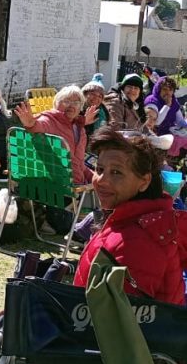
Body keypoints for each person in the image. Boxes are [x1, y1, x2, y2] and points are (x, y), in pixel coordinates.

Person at [73, 127, 185, 305]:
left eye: (116, 172)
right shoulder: (126, 223)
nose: (101, 180)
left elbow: (121, 323)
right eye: (100, 168)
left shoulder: (137, 240)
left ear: (144, 181)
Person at [14, 85, 95, 185]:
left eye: (76, 103)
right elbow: (39, 127)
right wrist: (31, 125)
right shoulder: (50, 120)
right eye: (66, 101)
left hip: (79, 185)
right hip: (60, 188)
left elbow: (80, 165)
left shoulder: (80, 130)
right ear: (56, 103)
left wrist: (97, 179)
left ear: (80, 108)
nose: (71, 105)